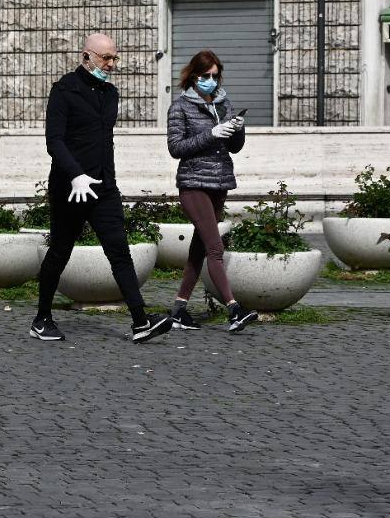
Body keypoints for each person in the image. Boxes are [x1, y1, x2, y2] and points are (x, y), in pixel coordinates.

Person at [30, 33, 173, 343]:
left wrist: (108, 181)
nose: (111, 64)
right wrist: (76, 175)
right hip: (71, 187)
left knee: (119, 251)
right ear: (87, 56)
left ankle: (140, 321)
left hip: (104, 187)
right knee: (60, 251)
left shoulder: (110, 93)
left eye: (114, 58)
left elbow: (104, 141)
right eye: (106, 58)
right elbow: (54, 141)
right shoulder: (63, 91)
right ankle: (42, 318)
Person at [166, 49, 258, 333]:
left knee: (199, 250)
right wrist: (210, 134)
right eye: (205, 76)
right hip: (193, 184)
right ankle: (234, 309)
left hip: (219, 182)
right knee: (215, 247)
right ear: (193, 76)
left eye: (215, 76)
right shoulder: (180, 107)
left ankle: (179, 311)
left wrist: (237, 129)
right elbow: (175, 148)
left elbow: (234, 147)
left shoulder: (223, 103)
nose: (211, 81)